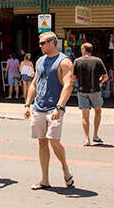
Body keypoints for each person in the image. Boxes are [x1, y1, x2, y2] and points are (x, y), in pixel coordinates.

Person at [23, 32, 75, 190]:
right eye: (39, 43)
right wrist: (27, 104)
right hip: (39, 107)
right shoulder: (39, 61)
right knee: (42, 142)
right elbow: (34, 83)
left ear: (52, 42)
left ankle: (65, 168)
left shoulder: (64, 62)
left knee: (54, 141)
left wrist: (59, 107)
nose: (40, 45)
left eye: (43, 43)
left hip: (54, 108)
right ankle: (44, 179)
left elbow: (68, 85)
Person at [73, 43, 109, 146]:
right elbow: (105, 76)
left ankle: (86, 139)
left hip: (82, 90)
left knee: (85, 116)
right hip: (95, 90)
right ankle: (95, 135)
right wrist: (99, 82)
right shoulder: (98, 60)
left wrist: (80, 79)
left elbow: (73, 77)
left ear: (84, 50)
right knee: (98, 111)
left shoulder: (77, 61)